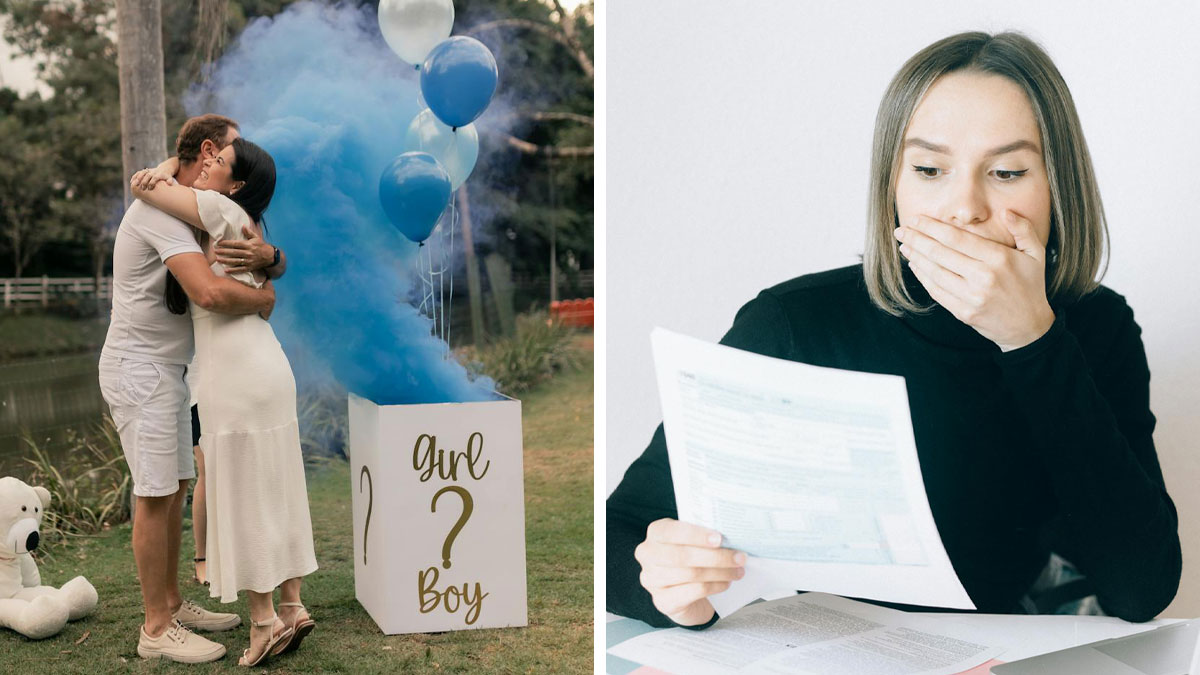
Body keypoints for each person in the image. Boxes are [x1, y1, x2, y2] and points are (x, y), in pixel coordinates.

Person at [607, 31, 1181, 629]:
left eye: (1007, 172)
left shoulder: (1095, 325)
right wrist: (672, 589)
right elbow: (618, 535)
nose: (964, 207)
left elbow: (1141, 591)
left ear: (1058, 187)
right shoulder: (794, 325)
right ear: (892, 186)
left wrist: (1033, 340)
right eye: (930, 169)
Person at [132, 135, 318, 667]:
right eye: (208, 156)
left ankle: (263, 625)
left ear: (235, 183)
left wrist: (164, 165)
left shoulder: (216, 206)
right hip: (269, 365)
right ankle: (292, 605)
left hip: (231, 373)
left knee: (240, 490)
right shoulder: (252, 226)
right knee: (277, 481)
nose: (208, 162)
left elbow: (148, 189)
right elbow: (267, 282)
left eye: (220, 161)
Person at [99, 136, 274, 662]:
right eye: (222, 154)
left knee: (174, 487)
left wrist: (273, 258)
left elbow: (249, 244)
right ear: (205, 150)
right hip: (139, 368)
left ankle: (172, 603)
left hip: (167, 369)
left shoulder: (183, 200)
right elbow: (209, 293)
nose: (225, 162)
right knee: (154, 494)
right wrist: (265, 298)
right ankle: (155, 629)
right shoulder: (159, 207)